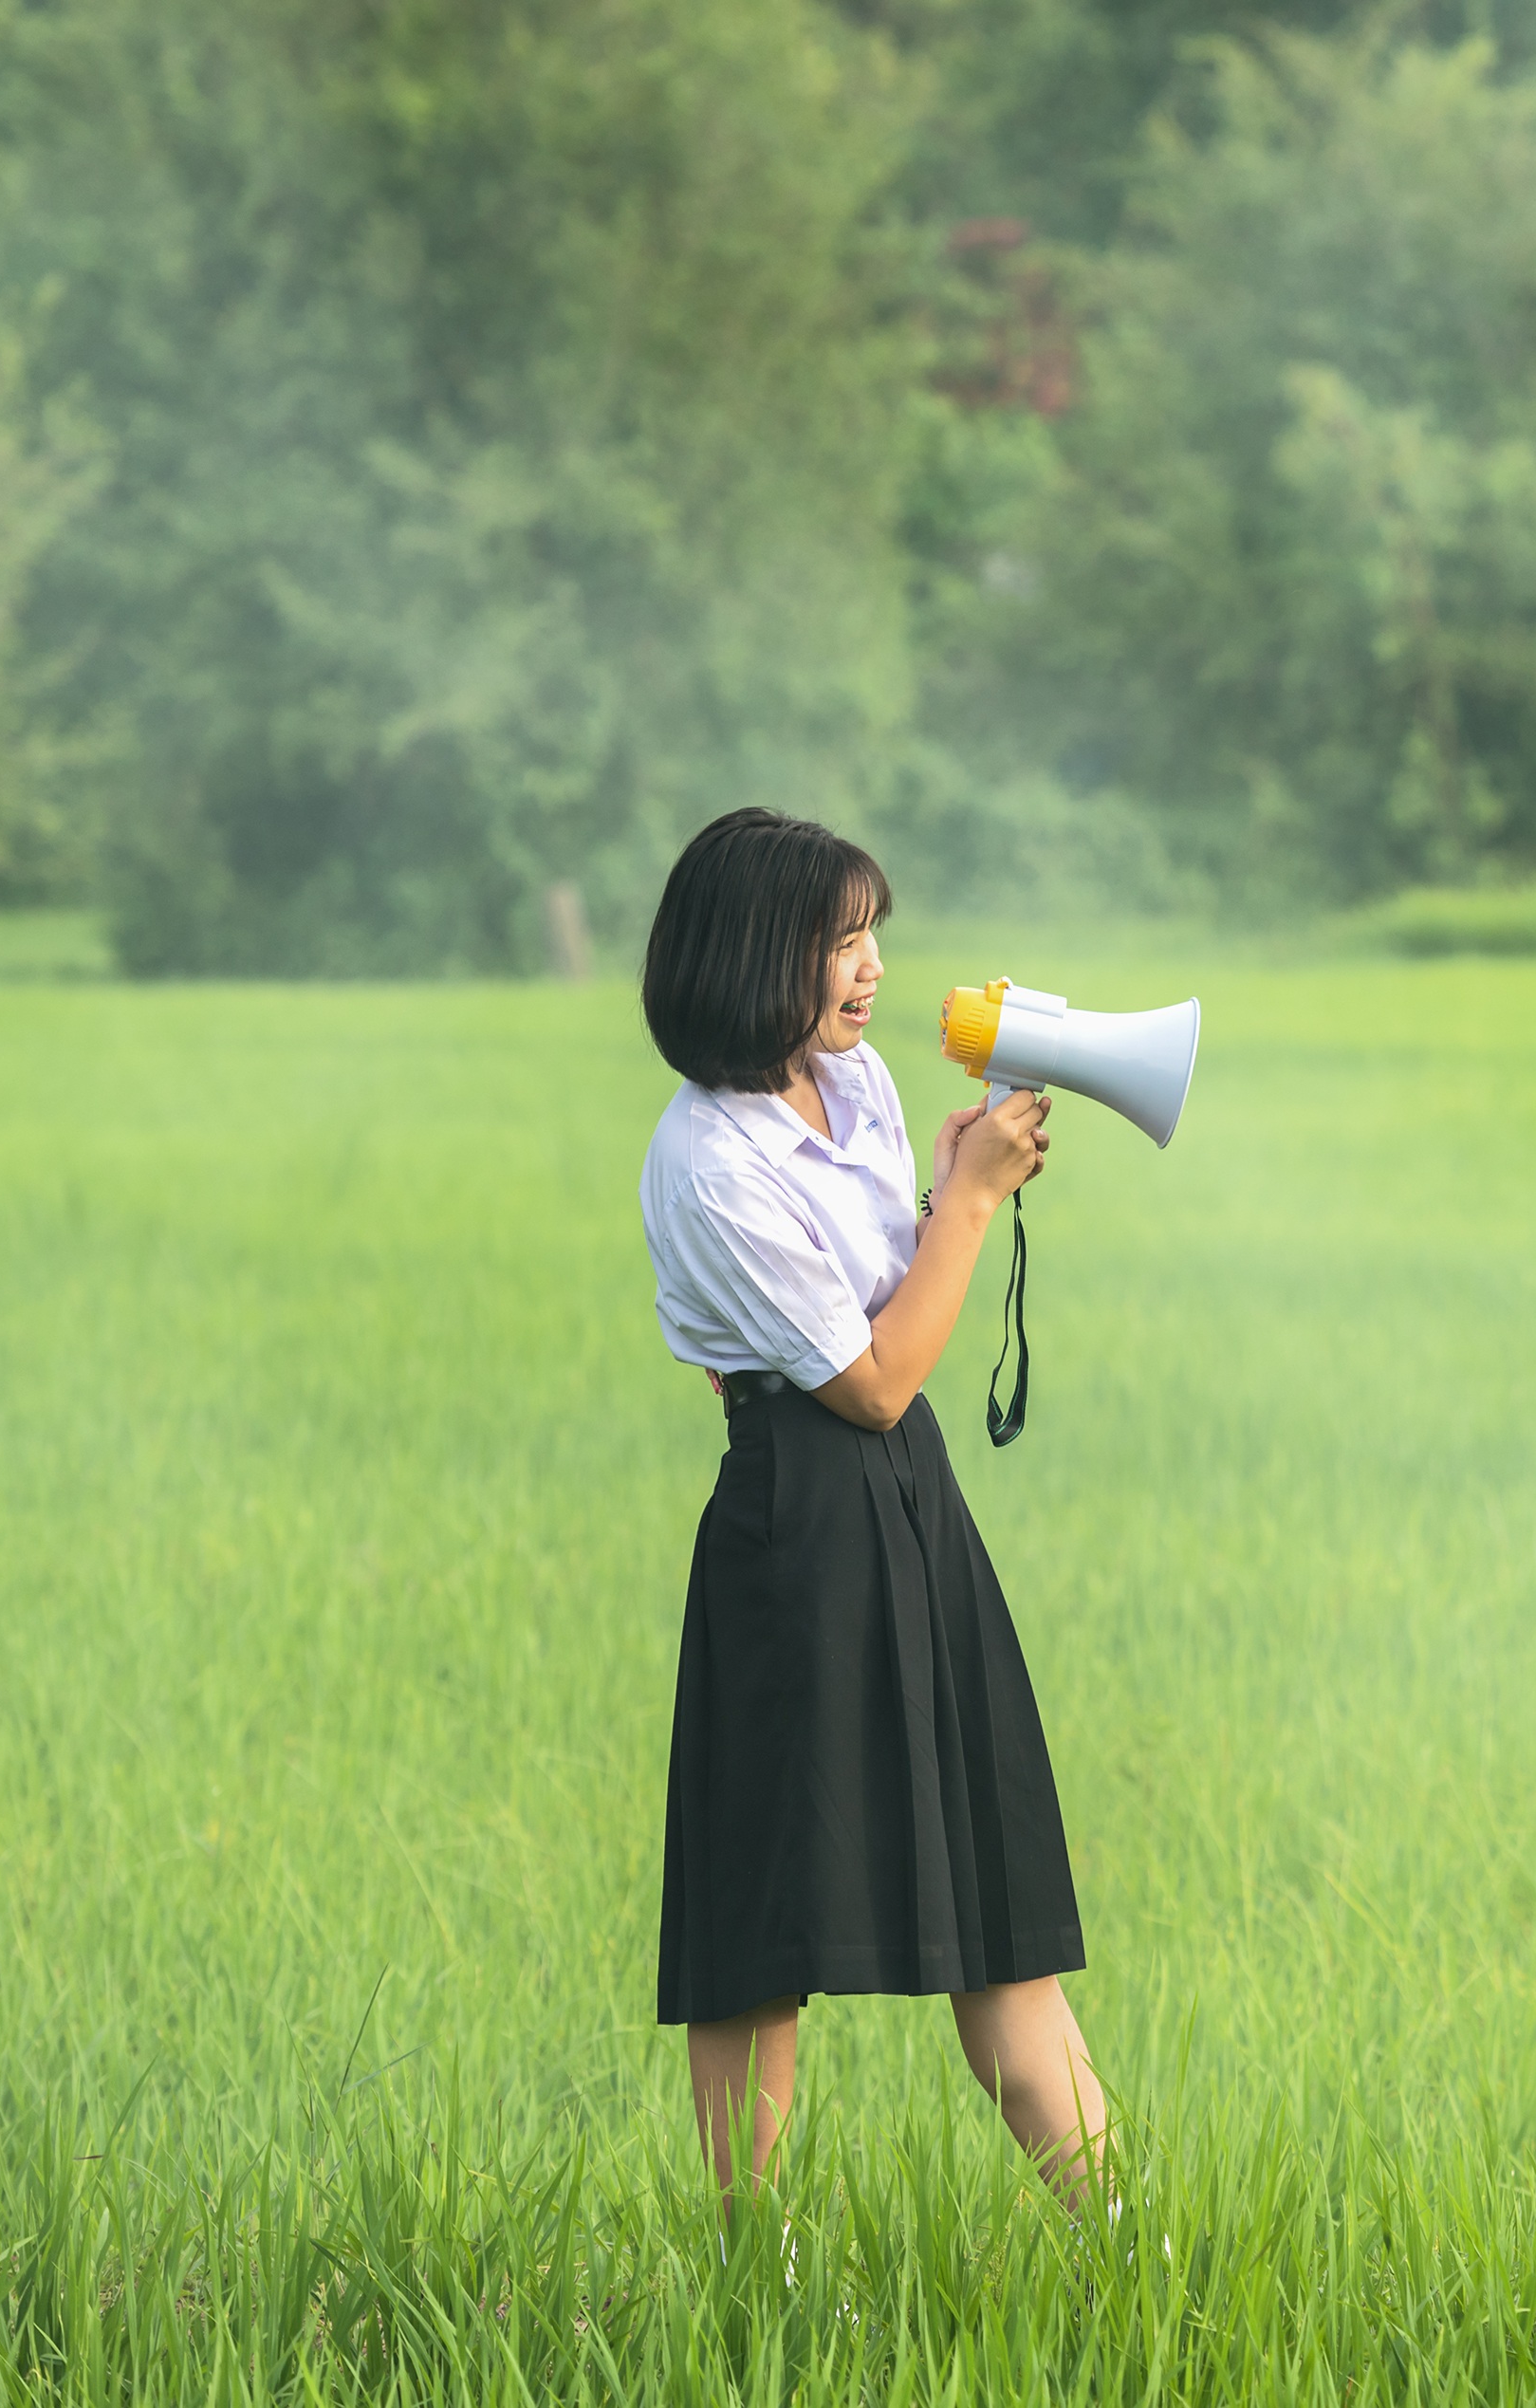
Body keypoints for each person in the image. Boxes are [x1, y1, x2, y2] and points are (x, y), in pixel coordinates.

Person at [636, 806, 1112, 2209]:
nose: (871, 969)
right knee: (760, 1930)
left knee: (1002, 1914)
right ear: (749, 957)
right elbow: (878, 1379)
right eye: (839, 942)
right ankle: (750, 2267)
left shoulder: (857, 1090)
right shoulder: (709, 1164)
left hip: (914, 1513)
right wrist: (964, 1205)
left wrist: (951, 1187)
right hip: (799, 1525)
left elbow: (899, 1304)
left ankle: (1139, 2261)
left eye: (871, 937)